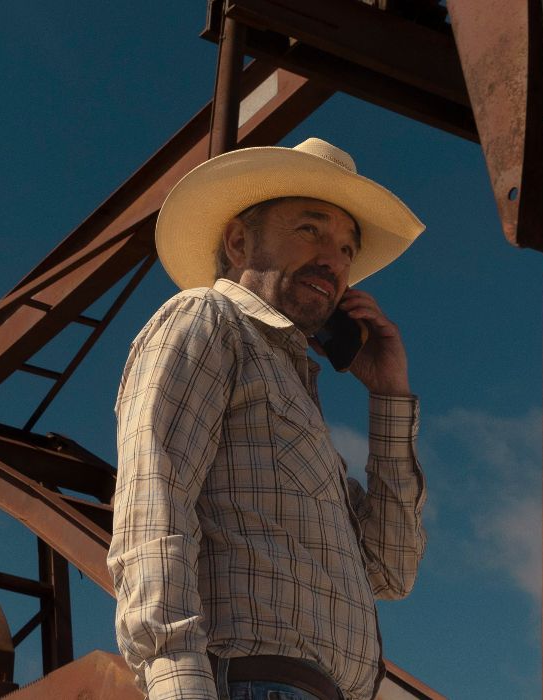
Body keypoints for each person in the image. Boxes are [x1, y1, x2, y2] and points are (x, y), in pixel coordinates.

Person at [108, 138, 428, 700]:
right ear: (237, 241)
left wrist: (390, 398)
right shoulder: (206, 318)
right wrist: (177, 683)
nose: (334, 259)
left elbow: (391, 568)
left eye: (348, 248)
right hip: (252, 683)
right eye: (311, 230)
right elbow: (153, 503)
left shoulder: (299, 396)